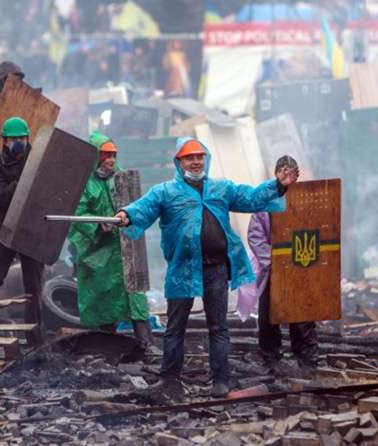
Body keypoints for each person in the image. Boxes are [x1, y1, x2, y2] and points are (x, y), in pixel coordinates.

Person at [115, 138, 299, 397]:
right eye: (189, 157)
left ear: (206, 159)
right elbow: (142, 208)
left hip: (216, 269)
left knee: (218, 327)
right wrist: (126, 215)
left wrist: (278, 185)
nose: (196, 161)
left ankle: (221, 380)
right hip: (182, 269)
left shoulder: (221, 188)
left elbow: (252, 197)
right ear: (179, 163)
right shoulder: (165, 192)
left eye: (200, 156)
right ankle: (169, 380)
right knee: (175, 327)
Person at [68, 131, 153, 348]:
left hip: (127, 249)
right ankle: (106, 345)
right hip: (100, 252)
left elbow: (139, 207)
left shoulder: (124, 179)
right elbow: (78, 213)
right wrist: (97, 224)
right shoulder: (84, 183)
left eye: (113, 155)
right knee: (104, 299)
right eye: (105, 155)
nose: (111, 160)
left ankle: (145, 343)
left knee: (135, 297)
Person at [239, 158, 318, 368]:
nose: (288, 177)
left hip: (300, 266)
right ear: (276, 173)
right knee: (269, 314)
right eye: (284, 173)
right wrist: (273, 261)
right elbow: (255, 236)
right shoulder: (264, 203)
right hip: (272, 269)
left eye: (292, 173)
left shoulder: (304, 201)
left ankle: (306, 357)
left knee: (302, 313)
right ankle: (270, 356)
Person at [0, 117, 44, 343]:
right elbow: (2, 196)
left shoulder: (39, 162)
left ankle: (35, 338)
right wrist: (25, 179)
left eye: (23, 138)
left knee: (34, 287)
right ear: (5, 141)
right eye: (14, 139)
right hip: (3, 231)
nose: (19, 142)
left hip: (31, 230)